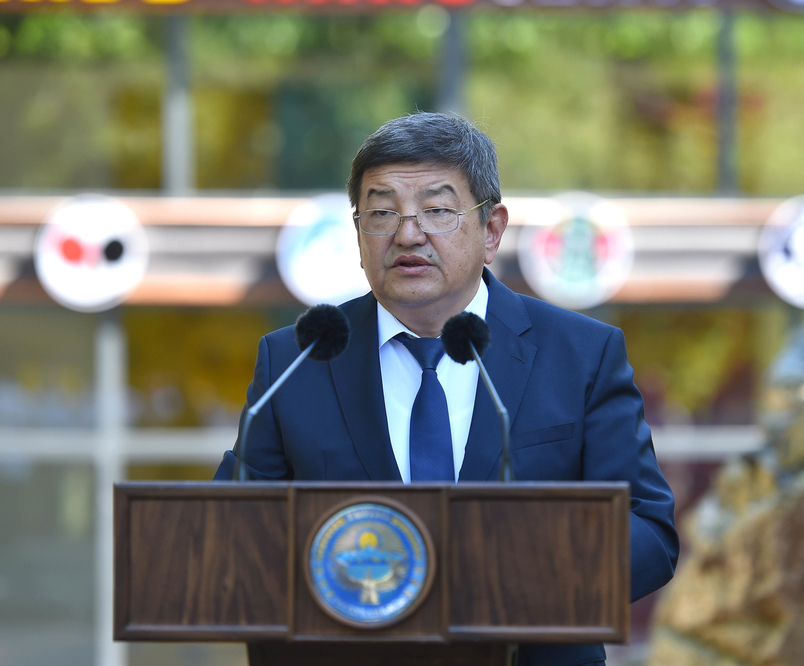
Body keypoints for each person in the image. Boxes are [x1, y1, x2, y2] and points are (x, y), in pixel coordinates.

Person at [215, 112, 678, 666]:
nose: (408, 234)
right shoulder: (298, 358)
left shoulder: (580, 353)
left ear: (492, 230)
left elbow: (648, 532)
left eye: (436, 210)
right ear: (357, 234)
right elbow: (229, 534)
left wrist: (528, 577)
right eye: (382, 212)